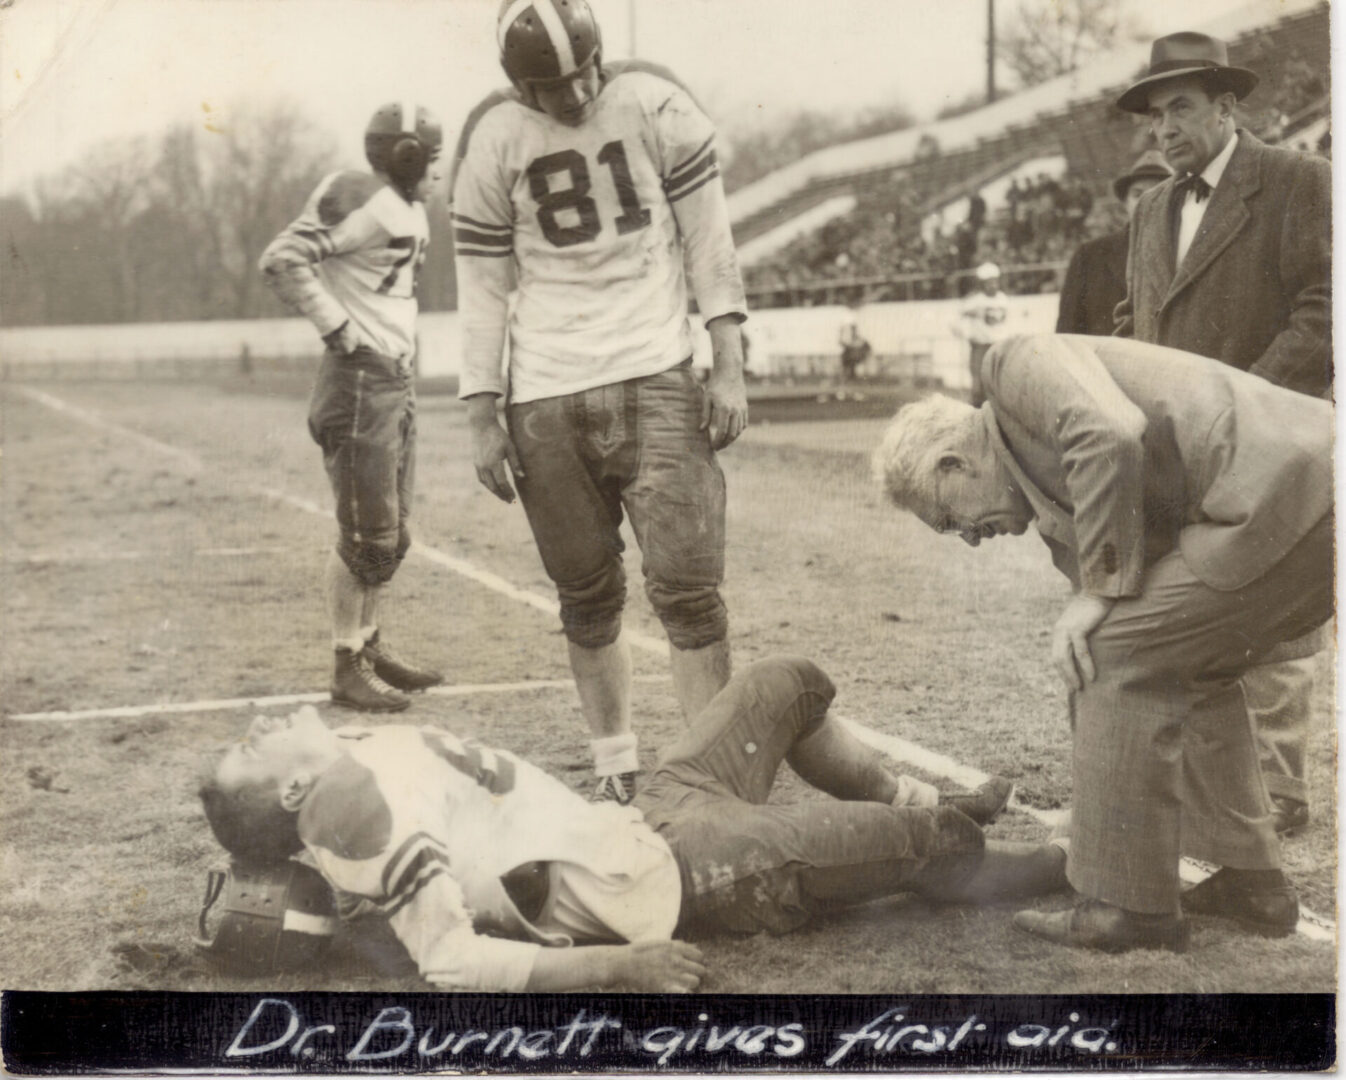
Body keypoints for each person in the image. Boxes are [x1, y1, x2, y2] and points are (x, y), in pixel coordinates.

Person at [199, 655, 1062, 992]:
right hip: (680, 879)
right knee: (921, 848)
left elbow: (298, 859)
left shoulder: (331, 764)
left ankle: (923, 798)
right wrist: (620, 965)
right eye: (252, 747)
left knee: (787, 684)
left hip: (645, 816)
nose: (262, 725)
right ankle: (1055, 862)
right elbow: (450, 960)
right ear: (290, 795)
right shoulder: (359, 816)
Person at [872, 334, 1333, 953]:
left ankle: (1130, 907)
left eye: (950, 521)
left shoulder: (1010, 366)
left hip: (1289, 491)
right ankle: (1254, 883)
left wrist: (1098, 589)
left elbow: (1110, 431)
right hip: (1295, 499)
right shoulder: (1052, 504)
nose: (970, 539)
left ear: (952, 465)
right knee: (1183, 660)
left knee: (1111, 652)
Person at [450, 0, 749, 803]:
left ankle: (709, 777)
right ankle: (616, 766)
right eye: (552, 84)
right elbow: (480, 287)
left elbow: (708, 240)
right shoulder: (493, 136)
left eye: (584, 71)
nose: (576, 93)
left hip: (655, 367)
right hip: (544, 390)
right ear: (519, 85)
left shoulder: (653, 100)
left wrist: (728, 363)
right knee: (585, 595)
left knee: (689, 590)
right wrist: (482, 412)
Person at [1113, 32, 1333, 835]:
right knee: (1199, 617)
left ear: (1227, 106)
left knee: (1276, 625)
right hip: (1177, 453)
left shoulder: (1300, 181)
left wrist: (1245, 405)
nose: (1163, 129)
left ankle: (1279, 792)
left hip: (1275, 438)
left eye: (1181, 109)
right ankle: (1222, 803)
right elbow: (1132, 324)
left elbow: (1325, 310)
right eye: (1153, 115)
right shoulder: (1149, 210)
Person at [259, 103, 446, 713]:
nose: (438, 175)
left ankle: (367, 644)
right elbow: (282, 258)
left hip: (393, 378)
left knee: (392, 538)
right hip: (362, 379)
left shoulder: (406, 208)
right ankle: (345, 666)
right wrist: (337, 326)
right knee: (368, 537)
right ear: (408, 157)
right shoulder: (360, 197)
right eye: (432, 161)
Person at [1055, 150, 1171, 336]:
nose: (1146, 201)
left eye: (1159, 192)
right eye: (1137, 194)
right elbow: (1068, 333)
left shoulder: (1188, 252)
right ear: (1125, 203)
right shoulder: (1089, 256)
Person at [950, 262, 1009, 406]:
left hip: (999, 346)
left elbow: (1005, 322)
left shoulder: (1003, 298)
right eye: (989, 283)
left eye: (995, 281)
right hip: (980, 347)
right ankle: (976, 418)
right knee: (978, 387)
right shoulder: (975, 301)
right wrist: (965, 335)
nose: (993, 285)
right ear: (982, 284)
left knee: (1000, 385)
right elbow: (954, 319)